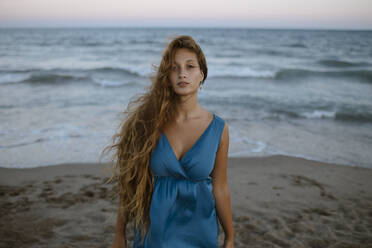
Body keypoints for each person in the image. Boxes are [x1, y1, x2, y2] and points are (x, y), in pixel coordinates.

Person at [102, 35, 234, 248]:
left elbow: (220, 188)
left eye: (190, 66)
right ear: (167, 76)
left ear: (202, 74)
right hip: (156, 235)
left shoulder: (218, 129)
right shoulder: (147, 124)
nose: (182, 73)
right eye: (174, 68)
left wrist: (230, 237)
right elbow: (130, 183)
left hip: (201, 235)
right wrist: (119, 235)